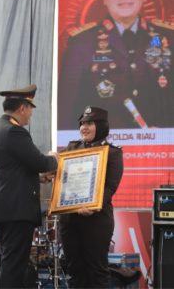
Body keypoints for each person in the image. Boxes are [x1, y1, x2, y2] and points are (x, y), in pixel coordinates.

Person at [58, 0, 174, 129]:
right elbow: (66, 114)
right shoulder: (81, 43)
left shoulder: (168, 38)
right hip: (105, 149)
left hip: (158, 150)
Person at [0, 84, 58, 288]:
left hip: (7, 208)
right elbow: (40, 162)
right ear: (23, 108)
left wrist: (38, 177)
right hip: (16, 210)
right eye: (31, 110)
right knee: (14, 266)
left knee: (8, 263)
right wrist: (54, 159)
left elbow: (15, 170)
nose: (30, 116)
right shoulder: (14, 131)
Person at [59, 106, 124, 288]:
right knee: (74, 271)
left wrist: (92, 205)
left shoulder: (113, 152)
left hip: (96, 220)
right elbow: (59, 179)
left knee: (97, 272)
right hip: (70, 220)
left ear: (102, 126)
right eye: (81, 124)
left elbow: (110, 186)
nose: (84, 128)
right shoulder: (71, 148)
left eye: (89, 123)